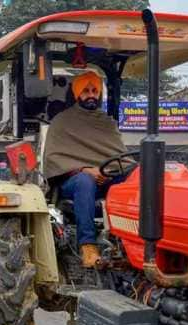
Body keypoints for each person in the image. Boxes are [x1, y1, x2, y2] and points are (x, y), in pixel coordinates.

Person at [44, 71, 128, 268]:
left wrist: (105, 172)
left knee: (136, 176)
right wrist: (85, 169)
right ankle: (88, 246)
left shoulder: (107, 122)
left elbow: (119, 157)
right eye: (86, 91)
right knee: (84, 180)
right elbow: (54, 159)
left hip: (106, 177)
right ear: (76, 94)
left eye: (94, 91)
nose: (91, 95)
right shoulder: (62, 121)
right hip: (73, 182)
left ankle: (130, 238)